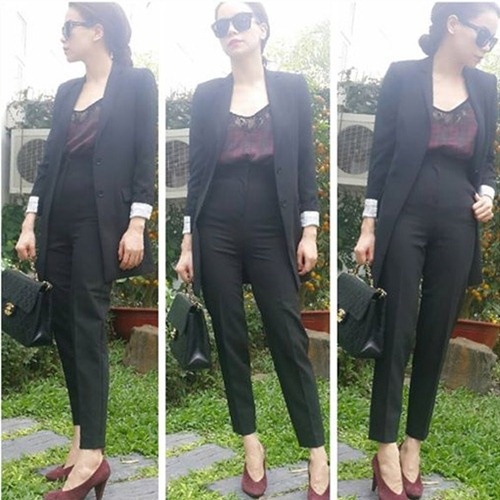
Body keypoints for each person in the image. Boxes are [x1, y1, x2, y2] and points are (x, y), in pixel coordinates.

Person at [174, 2, 329, 498]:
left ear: (261, 28)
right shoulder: (207, 95)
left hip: (271, 230)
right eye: (222, 25)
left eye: (241, 21)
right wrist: (188, 241)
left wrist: (309, 232)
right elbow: (197, 173)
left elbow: (304, 166)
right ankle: (251, 444)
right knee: (231, 338)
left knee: (288, 336)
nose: (232, 30)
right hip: (215, 229)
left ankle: (316, 451)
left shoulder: (292, 88)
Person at [354, 3, 498, 499]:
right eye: (484, 35)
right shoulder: (402, 76)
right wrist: (368, 225)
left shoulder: (486, 87)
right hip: (404, 216)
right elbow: (381, 156)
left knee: (437, 332)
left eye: (494, 40)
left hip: (458, 221)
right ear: (453, 25)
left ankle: (414, 443)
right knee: (396, 329)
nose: (488, 47)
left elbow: (486, 163)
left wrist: (488, 194)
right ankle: (385, 447)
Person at [15, 3, 157, 499]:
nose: (62, 37)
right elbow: (48, 163)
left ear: (97, 31)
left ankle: (94, 455)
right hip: (58, 222)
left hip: (101, 227)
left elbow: (144, 157)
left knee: (87, 328)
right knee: (63, 329)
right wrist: (30, 221)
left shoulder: (137, 83)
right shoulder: (65, 92)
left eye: (68, 28)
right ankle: (79, 444)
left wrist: (137, 224)